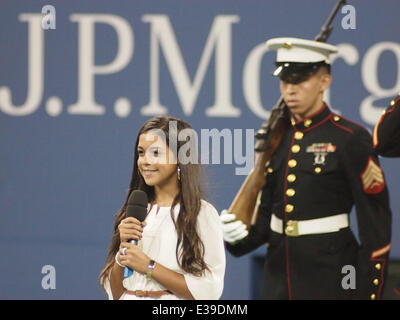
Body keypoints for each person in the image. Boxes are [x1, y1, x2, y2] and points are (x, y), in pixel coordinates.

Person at [221, 37, 392, 300]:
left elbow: (375, 225)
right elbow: (267, 221)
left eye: (299, 81)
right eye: (284, 81)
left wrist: (367, 292)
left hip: (331, 278)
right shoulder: (276, 138)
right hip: (277, 280)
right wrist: (236, 236)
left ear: (324, 82)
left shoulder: (349, 138)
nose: (290, 90)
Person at [99, 116, 225, 300]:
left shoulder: (201, 214)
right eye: (141, 153)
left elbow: (209, 290)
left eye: (156, 153)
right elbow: (115, 293)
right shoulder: (135, 209)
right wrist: (122, 254)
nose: (145, 161)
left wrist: (149, 267)